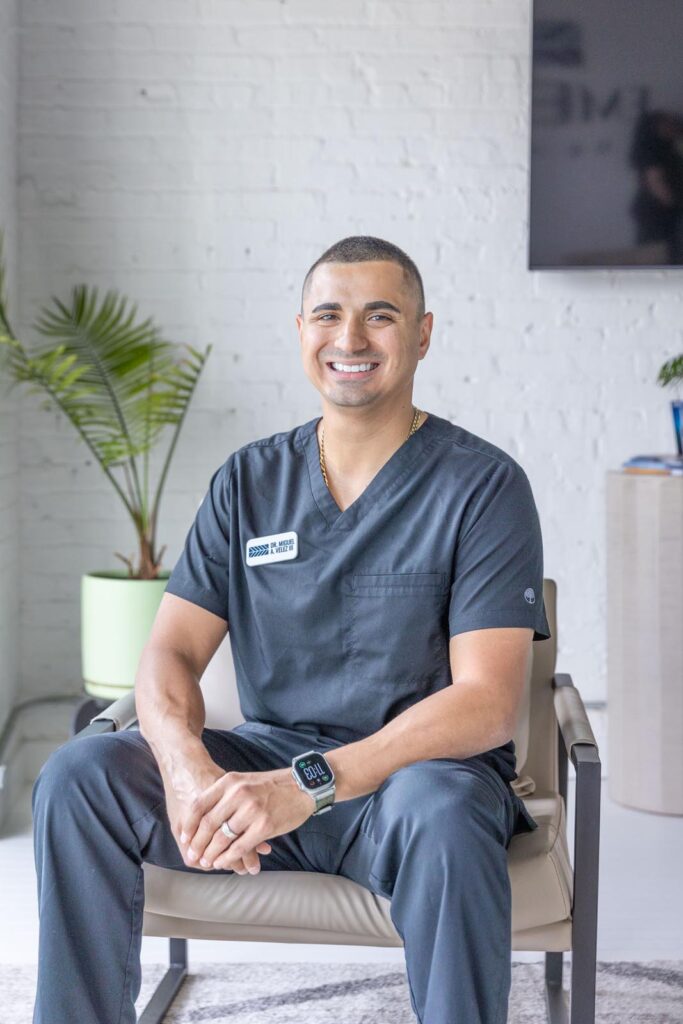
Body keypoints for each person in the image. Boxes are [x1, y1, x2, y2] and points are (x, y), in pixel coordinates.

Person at [31, 235, 551, 1024]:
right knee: (78, 776)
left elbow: (485, 701)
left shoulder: (482, 486)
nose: (349, 339)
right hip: (265, 764)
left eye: (380, 316)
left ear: (422, 334)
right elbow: (170, 651)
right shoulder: (247, 482)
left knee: (445, 817)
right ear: (300, 329)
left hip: (411, 786)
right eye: (328, 315)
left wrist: (308, 787)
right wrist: (186, 773)